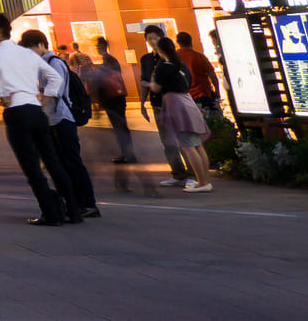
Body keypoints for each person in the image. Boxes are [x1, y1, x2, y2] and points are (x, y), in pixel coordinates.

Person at [0, 12, 80, 226]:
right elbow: (54, 77)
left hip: (17, 111)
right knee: (53, 161)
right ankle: (74, 210)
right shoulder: (27, 54)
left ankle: (51, 213)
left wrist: (3, 96)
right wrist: (46, 97)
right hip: (36, 110)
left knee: (32, 166)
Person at [23, 30, 98, 219]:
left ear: (41, 44)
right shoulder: (44, 64)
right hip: (55, 121)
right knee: (64, 163)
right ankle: (75, 202)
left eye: (31, 48)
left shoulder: (54, 63)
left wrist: (38, 113)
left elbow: (53, 93)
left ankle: (87, 203)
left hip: (62, 120)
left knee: (72, 162)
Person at [146, 35, 214, 192]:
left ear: (161, 50)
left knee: (188, 146)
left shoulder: (164, 67)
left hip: (176, 106)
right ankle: (205, 180)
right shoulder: (181, 65)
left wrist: (148, 84)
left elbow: (156, 88)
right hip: (188, 102)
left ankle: (202, 183)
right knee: (197, 145)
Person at [137, 24, 194, 185]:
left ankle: (192, 174)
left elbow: (152, 83)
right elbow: (144, 81)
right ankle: (177, 174)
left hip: (173, 105)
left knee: (183, 140)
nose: (153, 41)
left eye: (156, 38)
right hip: (157, 105)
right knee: (167, 142)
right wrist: (142, 104)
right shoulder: (146, 59)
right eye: (149, 38)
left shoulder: (169, 58)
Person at [90, 37, 135, 165]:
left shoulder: (107, 60)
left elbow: (105, 78)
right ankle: (128, 153)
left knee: (120, 127)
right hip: (116, 97)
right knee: (120, 126)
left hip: (113, 97)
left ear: (102, 46)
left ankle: (128, 154)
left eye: (97, 46)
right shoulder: (110, 60)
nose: (96, 48)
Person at [175, 32, 221, 120]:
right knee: (208, 122)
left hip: (184, 97)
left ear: (178, 43)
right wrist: (217, 92)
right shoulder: (199, 56)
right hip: (202, 95)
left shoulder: (174, 58)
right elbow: (212, 75)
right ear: (191, 41)